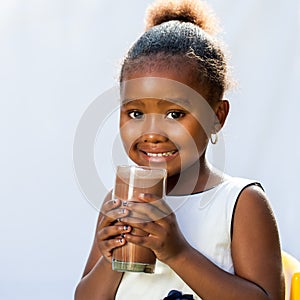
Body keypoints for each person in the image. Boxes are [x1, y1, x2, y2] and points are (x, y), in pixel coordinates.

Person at [75, 0, 285, 299]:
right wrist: (112, 259)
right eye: (135, 113)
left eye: (175, 114)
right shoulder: (120, 200)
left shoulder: (241, 202)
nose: (152, 133)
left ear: (216, 117)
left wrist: (177, 252)